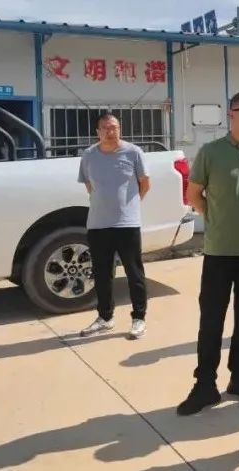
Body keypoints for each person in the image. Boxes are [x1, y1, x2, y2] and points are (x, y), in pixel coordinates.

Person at [176, 92, 239, 416]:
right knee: (211, 320)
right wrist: (216, 219)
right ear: (232, 114)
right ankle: (205, 385)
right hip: (220, 252)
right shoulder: (211, 152)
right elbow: (194, 194)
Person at [77, 113, 150, 340]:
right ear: (98, 132)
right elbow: (89, 185)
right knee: (102, 274)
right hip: (98, 224)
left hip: (127, 224)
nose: (111, 132)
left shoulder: (133, 152)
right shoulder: (89, 155)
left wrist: (128, 207)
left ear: (120, 129)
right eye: (106, 128)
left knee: (134, 272)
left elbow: (144, 184)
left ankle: (139, 318)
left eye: (115, 127)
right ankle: (105, 317)